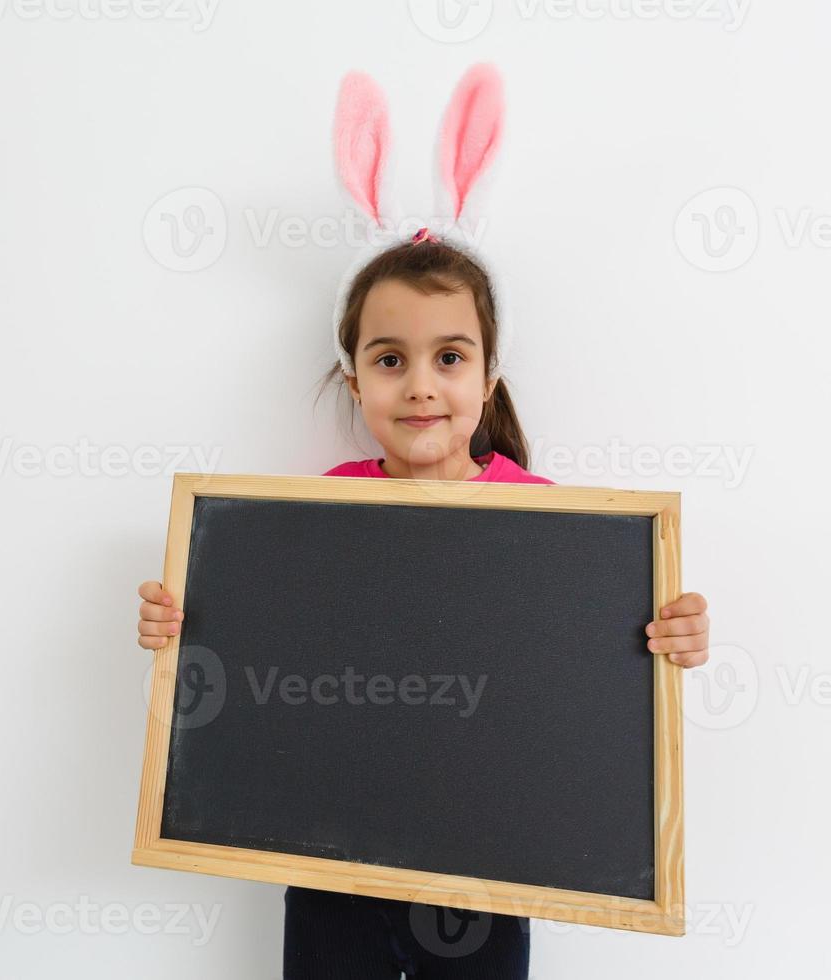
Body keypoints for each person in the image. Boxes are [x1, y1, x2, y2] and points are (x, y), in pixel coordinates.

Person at [134, 63, 711, 979]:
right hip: (332, 852)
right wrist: (186, 622)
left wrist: (673, 637)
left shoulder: (555, 529)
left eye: (449, 356)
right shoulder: (318, 510)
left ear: (488, 378)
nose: (421, 385)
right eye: (390, 358)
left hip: (489, 864)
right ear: (354, 378)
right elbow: (260, 652)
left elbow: (601, 669)